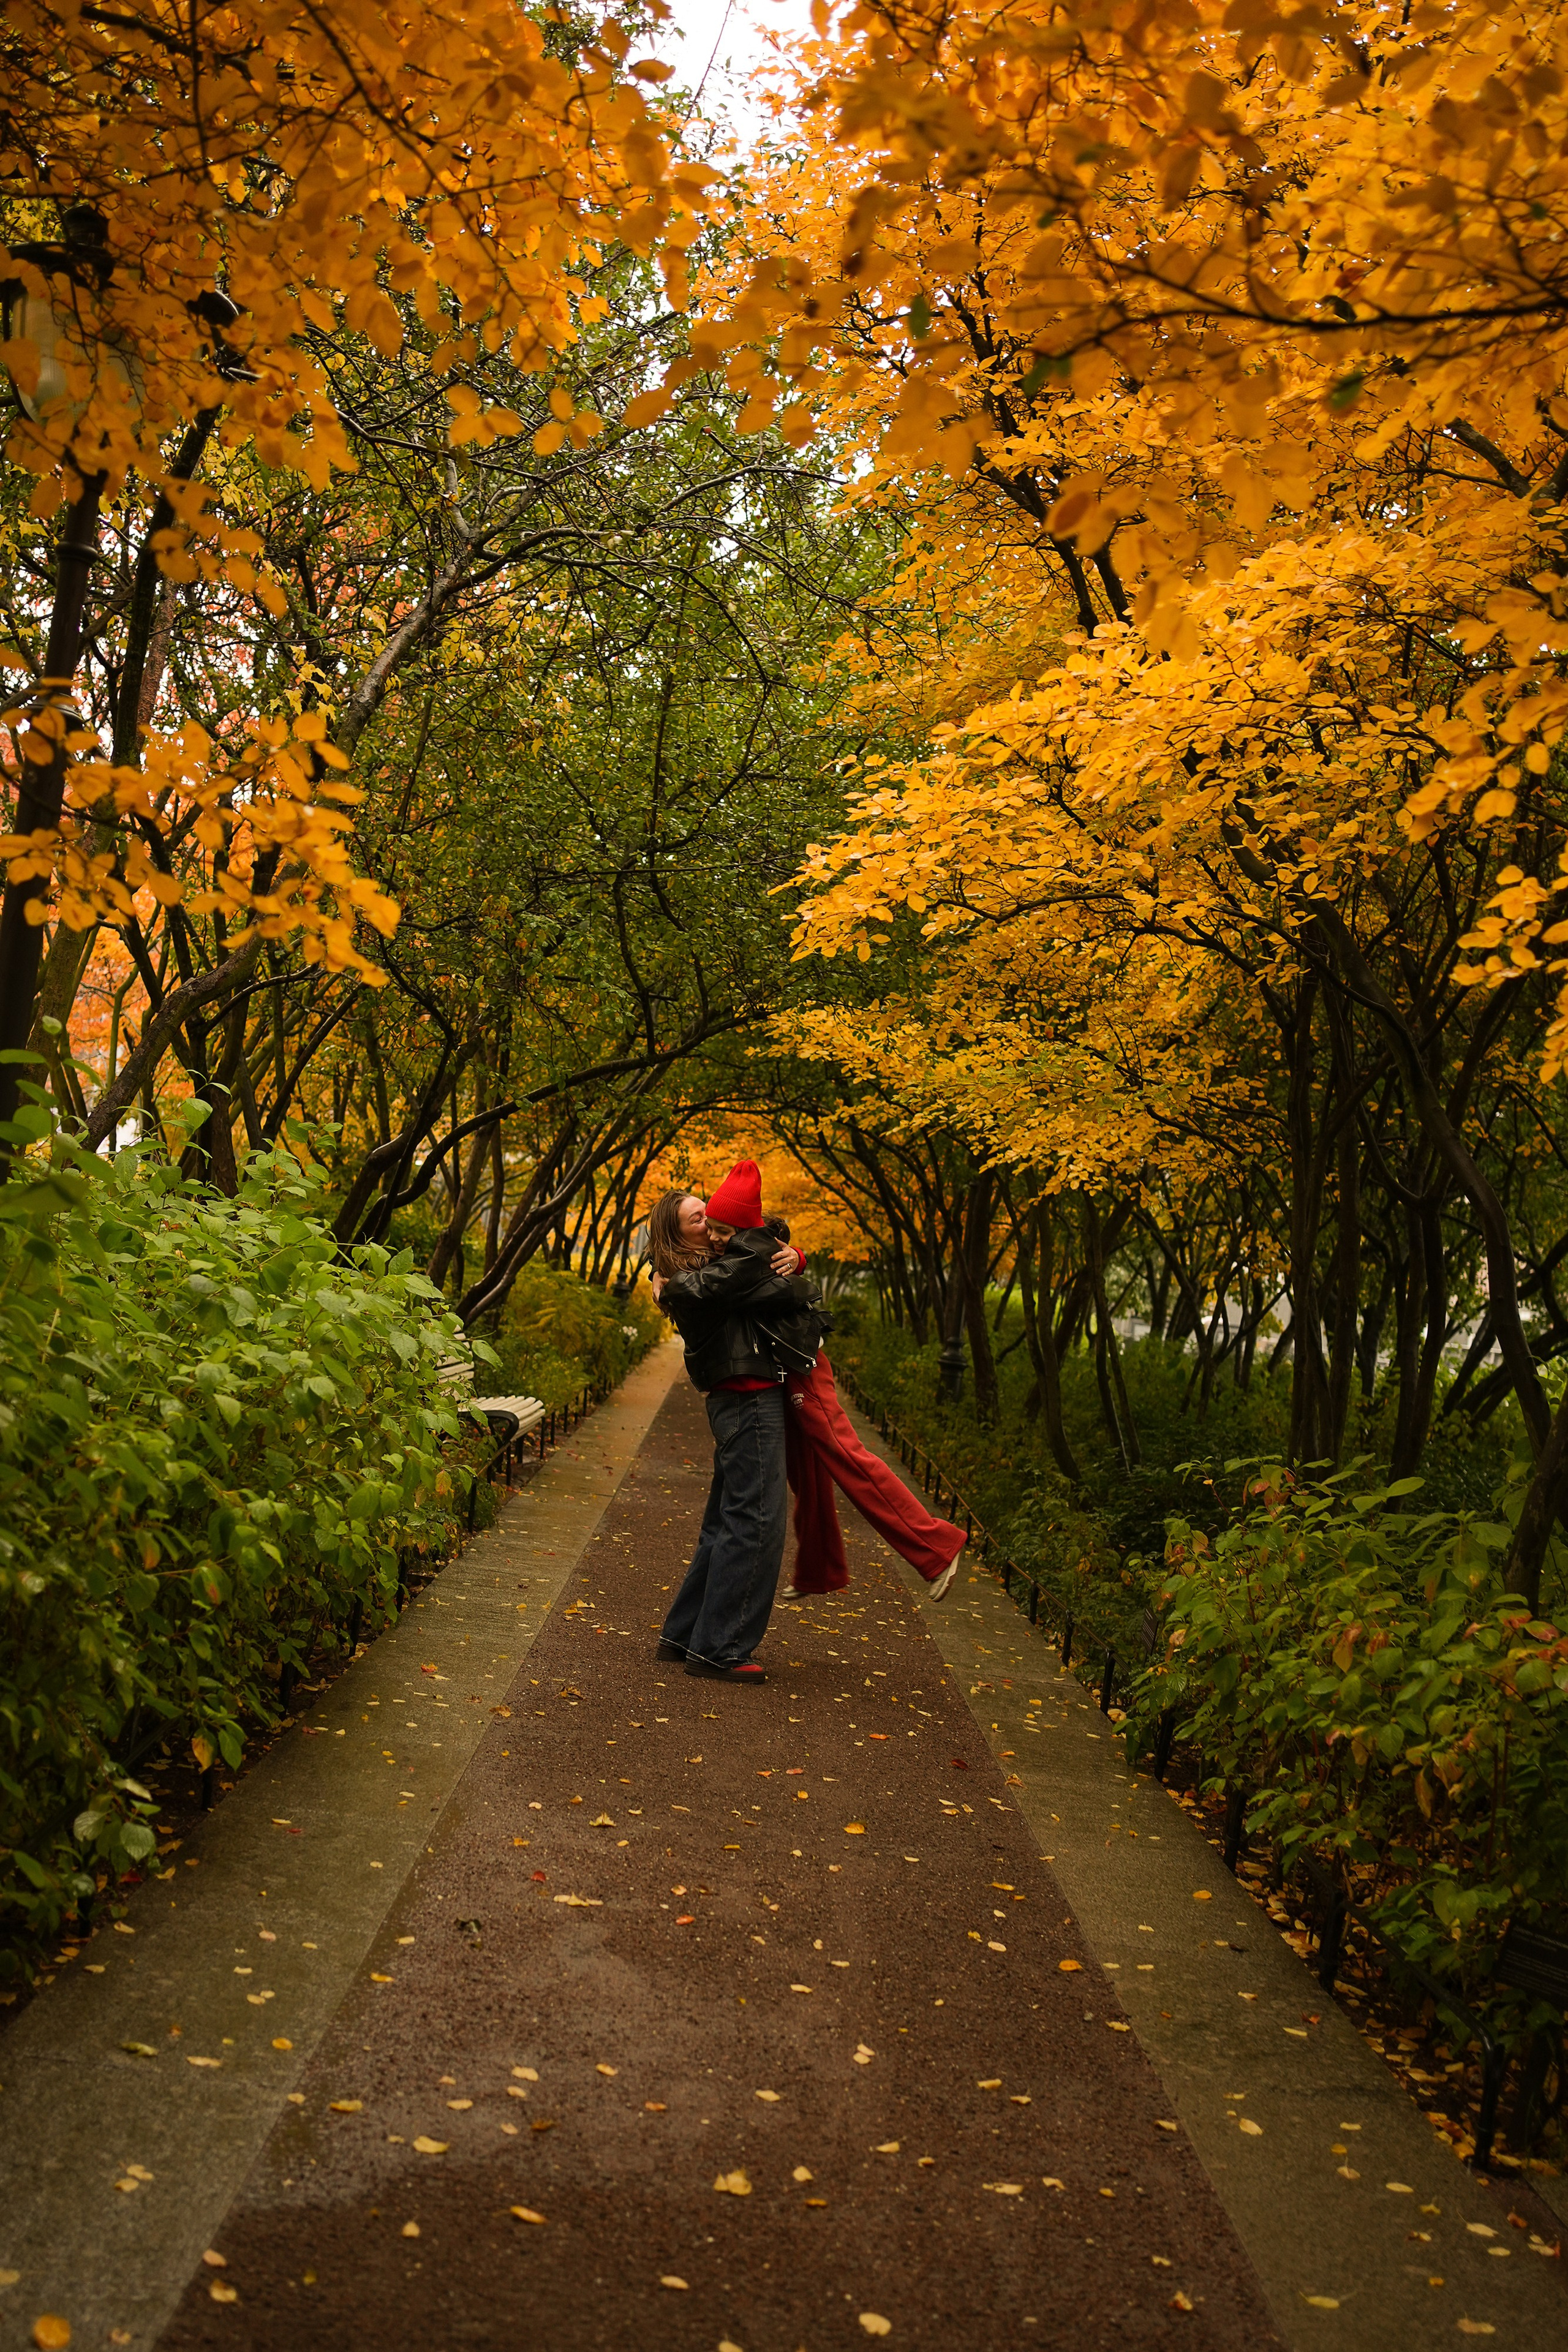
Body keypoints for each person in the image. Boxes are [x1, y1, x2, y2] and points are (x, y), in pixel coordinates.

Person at [647, 1163, 816, 1684]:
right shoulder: (695, 1280)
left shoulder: (712, 1266)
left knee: (726, 1522)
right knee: (756, 1524)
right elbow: (785, 1291)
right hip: (748, 1400)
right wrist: (781, 1258)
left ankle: (686, 1634)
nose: (712, 1222)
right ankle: (720, 1646)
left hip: (740, 1399)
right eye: (700, 1219)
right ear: (678, 1236)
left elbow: (766, 1239)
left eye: (713, 1213)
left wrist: (791, 1252)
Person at [758, 1215, 965, 1602]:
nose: (713, 1231)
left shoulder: (740, 1236)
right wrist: (658, 1270)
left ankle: (938, 1546)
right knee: (808, 1474)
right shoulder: (719, 1238)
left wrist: (796, 1256)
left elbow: (765, 1256)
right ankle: (818, 1571)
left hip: (803, 1368)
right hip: (785, 1370)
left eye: (718, 1226)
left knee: (850, 1460)